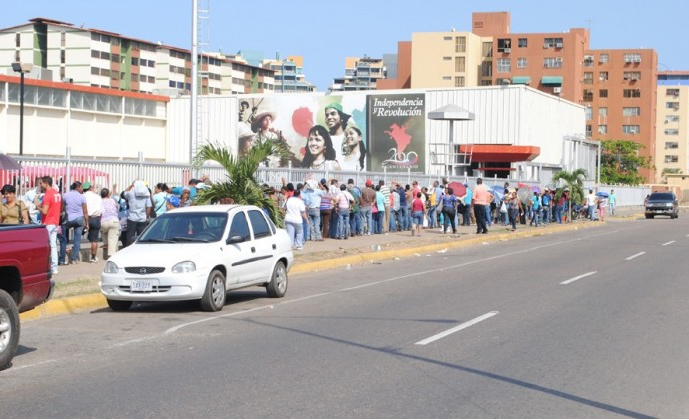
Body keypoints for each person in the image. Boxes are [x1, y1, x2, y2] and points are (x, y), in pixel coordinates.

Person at [33, 176, 61, 275]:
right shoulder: (57, 193)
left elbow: (45, 211)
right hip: (55, 222)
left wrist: (37, 205)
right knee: (53, 245)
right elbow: (52, 207)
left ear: (45, 183)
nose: (41, 185)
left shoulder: (47, 195)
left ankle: (48, 266)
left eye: (41, 183)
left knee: (47, 246)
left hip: (48, 222)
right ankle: (54, 267)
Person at [62, 181, 89, 264]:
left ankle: (66, 248)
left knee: (64, 235)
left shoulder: (65, 195)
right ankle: (74, 259)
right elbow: (85, 211)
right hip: (79, 219)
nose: (82, 189)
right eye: (81, 187)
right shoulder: (82, 197)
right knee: (77, 240)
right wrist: (87, 223)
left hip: (68, 219)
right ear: (77, 188)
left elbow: (63, 208)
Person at [123, 180, 152, 247]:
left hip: (132, 218)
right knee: (141, 238)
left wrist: (131, 185)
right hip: (142, 219)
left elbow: (124, 193)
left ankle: (129, 250)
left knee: (130, 237)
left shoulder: (131, 193)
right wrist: (147, 217)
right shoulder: (146, 194)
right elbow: (149, 207)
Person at [83, 182, 103, 263]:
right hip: (96, 218)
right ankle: (93, 257)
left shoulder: (83, 196)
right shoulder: (98, 197)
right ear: (91, 188)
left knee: (77, 236)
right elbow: (101, 211)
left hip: (85, 218)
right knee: (94, 240)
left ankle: (74, 256)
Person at [99, 188, 120, 260]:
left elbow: (100, 212)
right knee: (112, 239)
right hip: (114, 220)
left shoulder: (100, 201)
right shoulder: (112, 200)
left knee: (103, 231)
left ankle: (105, 243)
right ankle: (111, 256)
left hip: (104, 221)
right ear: (108, 195)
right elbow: (116, 208)